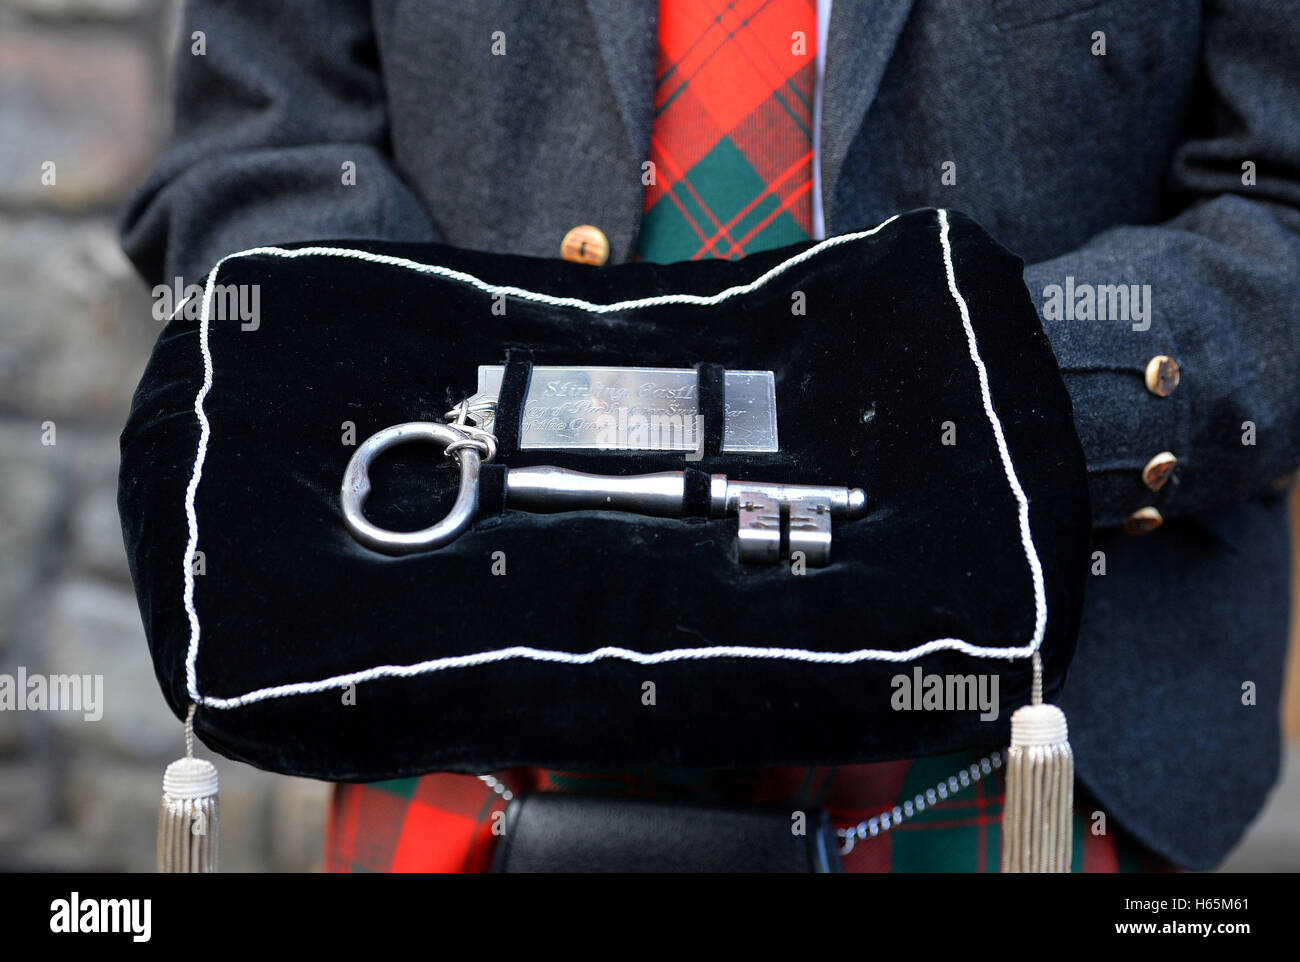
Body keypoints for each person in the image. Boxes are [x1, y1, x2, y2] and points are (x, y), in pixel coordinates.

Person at [121, 0, 1300, 872]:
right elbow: (257, 151)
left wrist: (982, 409)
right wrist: (454, 391)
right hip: (458, 746)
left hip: (1019, 759)